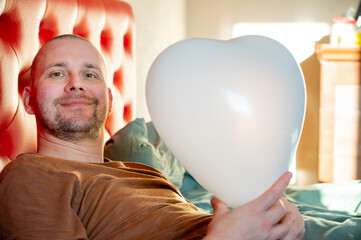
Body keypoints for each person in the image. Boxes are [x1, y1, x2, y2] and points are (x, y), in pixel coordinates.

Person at [0, 34, 305, 239]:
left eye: (90, 74)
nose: (76, 84)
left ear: (108, 100)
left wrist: (276, 222)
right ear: (28, 100)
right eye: (57, 73)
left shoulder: (142, 171)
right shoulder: (28, 175)